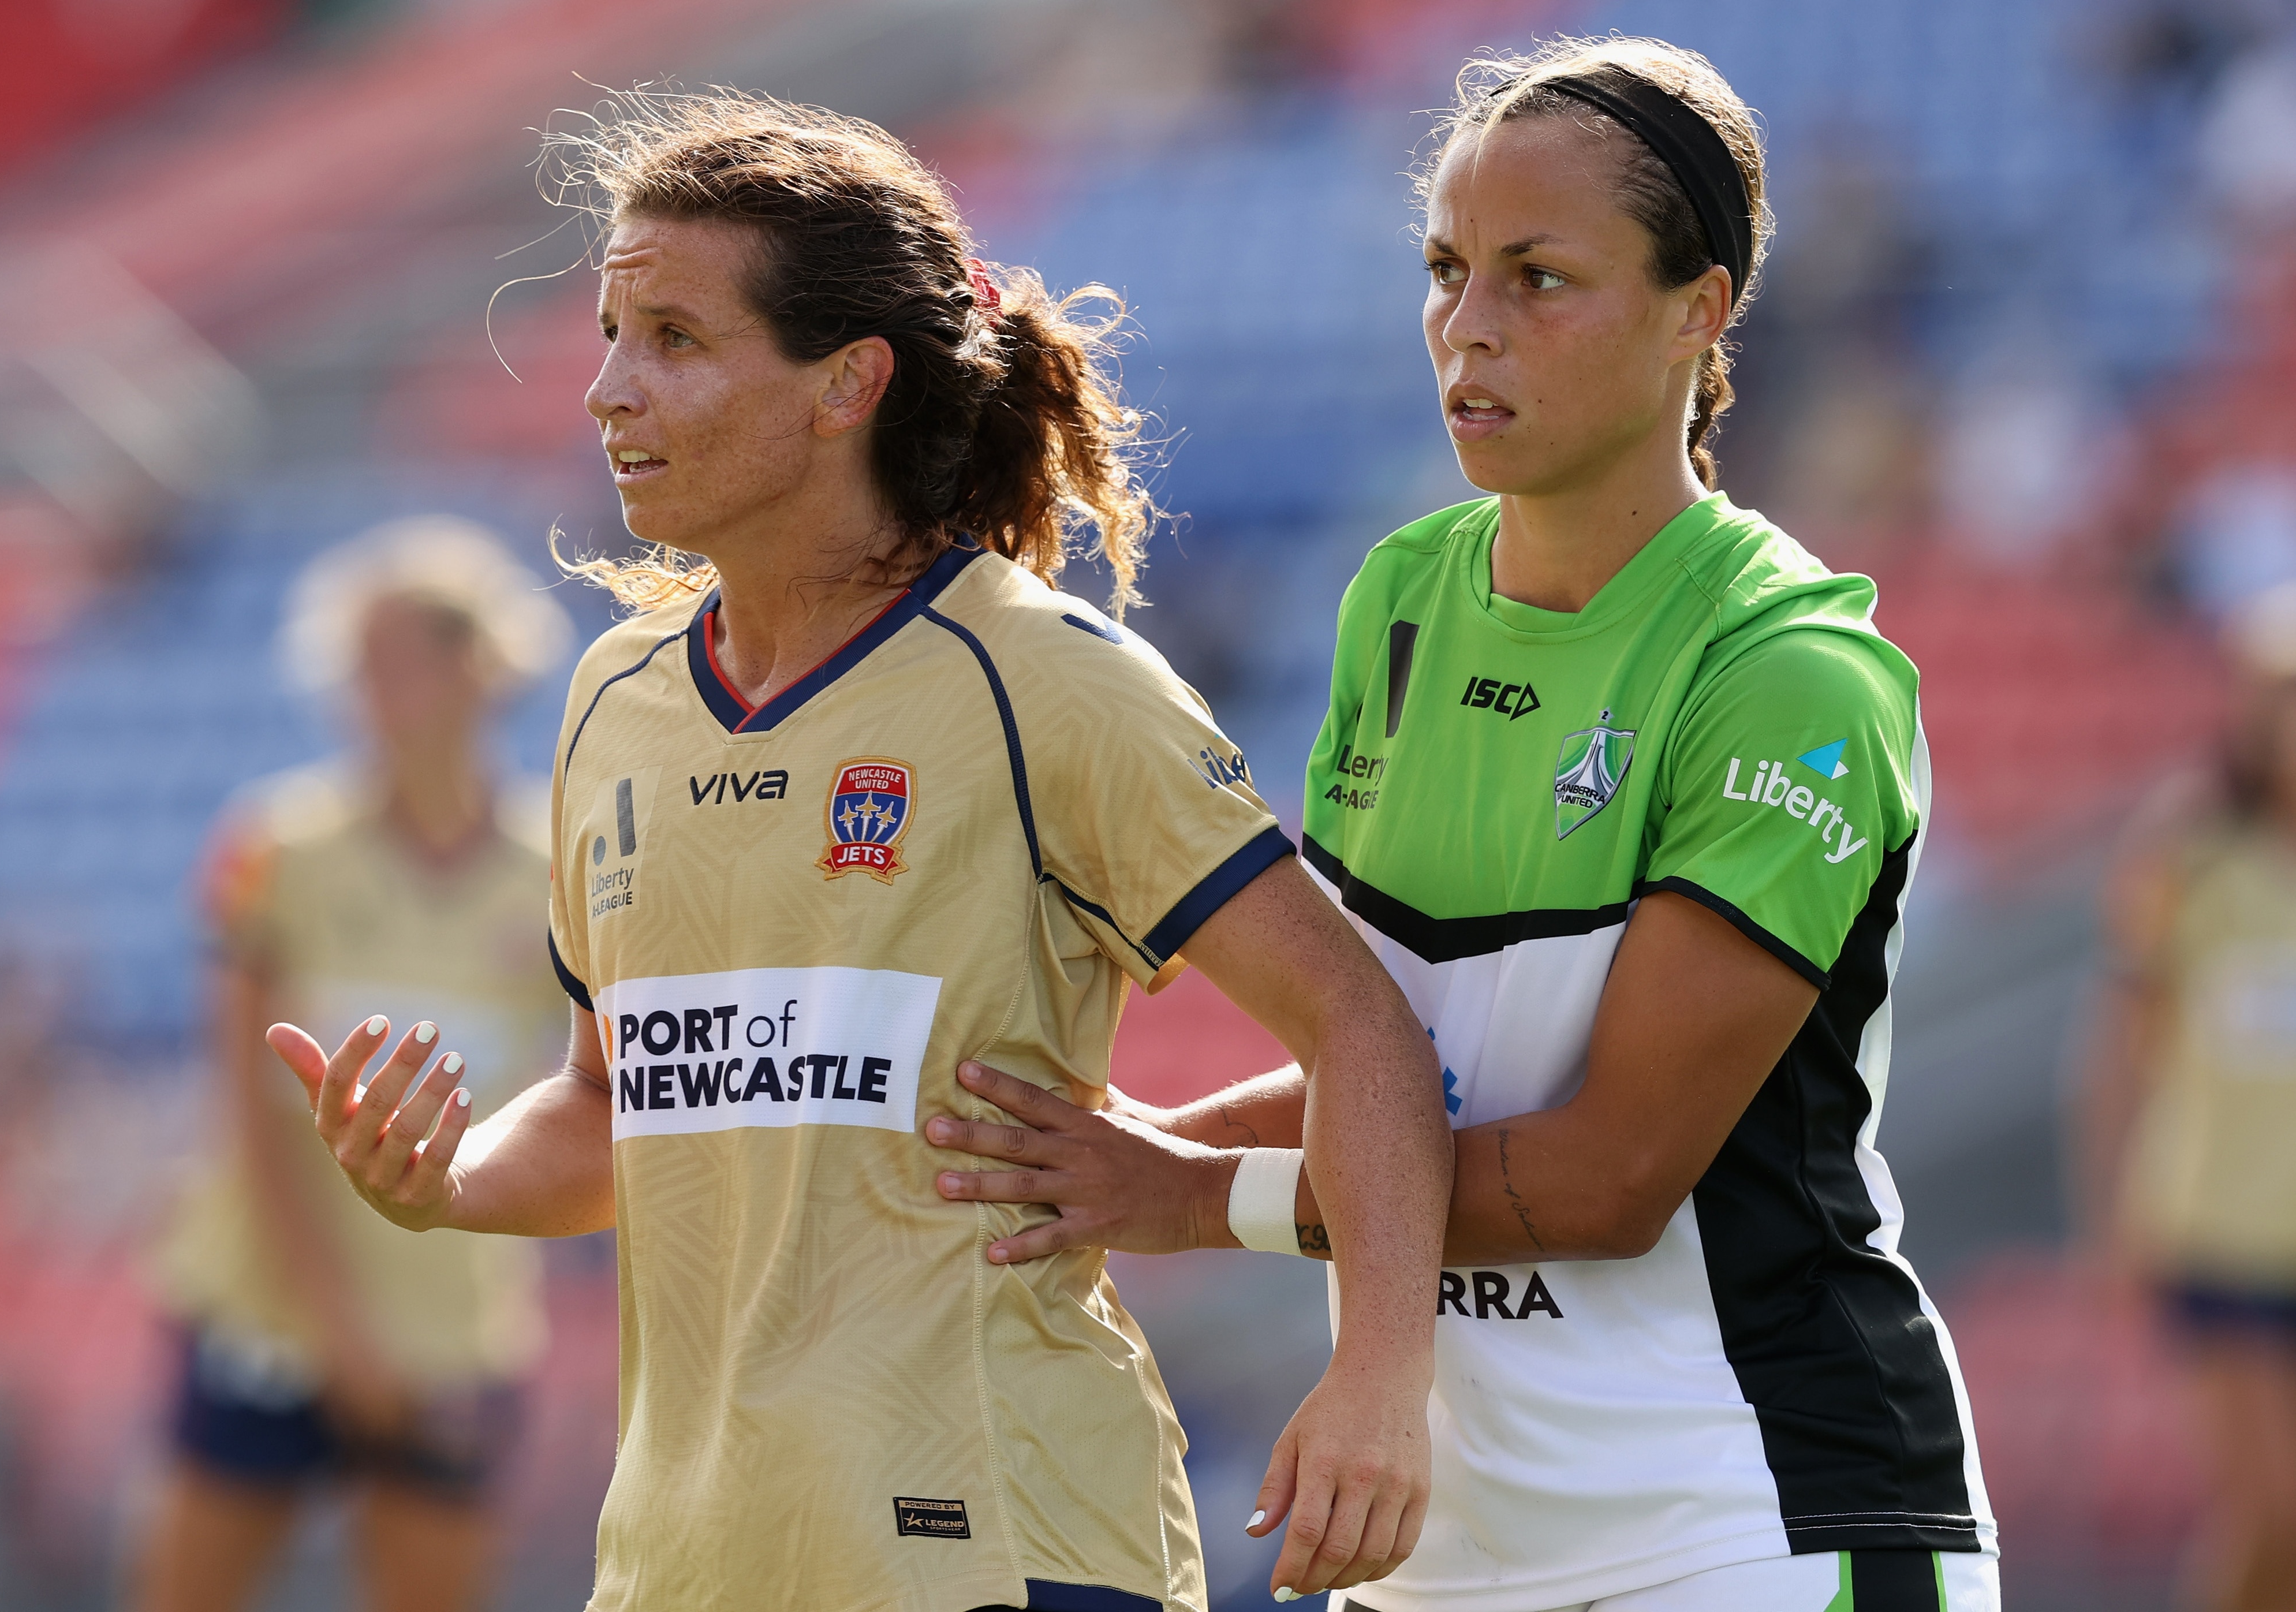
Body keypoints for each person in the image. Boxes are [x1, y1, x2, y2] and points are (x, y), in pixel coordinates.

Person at [267, 94, 1454, 1611]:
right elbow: (603, 1106)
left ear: (848, 384)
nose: (606, 393)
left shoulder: (1045, 686)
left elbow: (1362, 1028)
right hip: (686, 1566)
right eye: (609, 333)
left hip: (1005, 1543)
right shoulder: (612, 706)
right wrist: (445, 1182)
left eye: (674, 342)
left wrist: (1375, 1378)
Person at [925, 38, 2001, 1611]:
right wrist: (1117, 1154)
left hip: (1750, 1519)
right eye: (1445, 269)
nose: (1468, 327)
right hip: (1438, 1551)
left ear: (1698, 310)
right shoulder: (1401, 597)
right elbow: (1404, 1057)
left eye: (1539, 278)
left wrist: (1186, 1194)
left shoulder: (1787, 674)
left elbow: (1611, 1176)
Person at [135, 518, 576, 1612]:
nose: (365, 686)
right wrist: (339, 1331)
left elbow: (574, 1103)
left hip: (451, 1329)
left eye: (398, 656)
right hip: (267, 1310)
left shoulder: (556, 875)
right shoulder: (276, 849)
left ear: (479, 665)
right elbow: (247, 1117)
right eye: (354, 662)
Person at [2080, 581, 2296, 1612]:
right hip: (2219, 1226)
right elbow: (2126, 1042)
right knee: (2274, 1508)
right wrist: (2115, 1202)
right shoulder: (2193, 851)